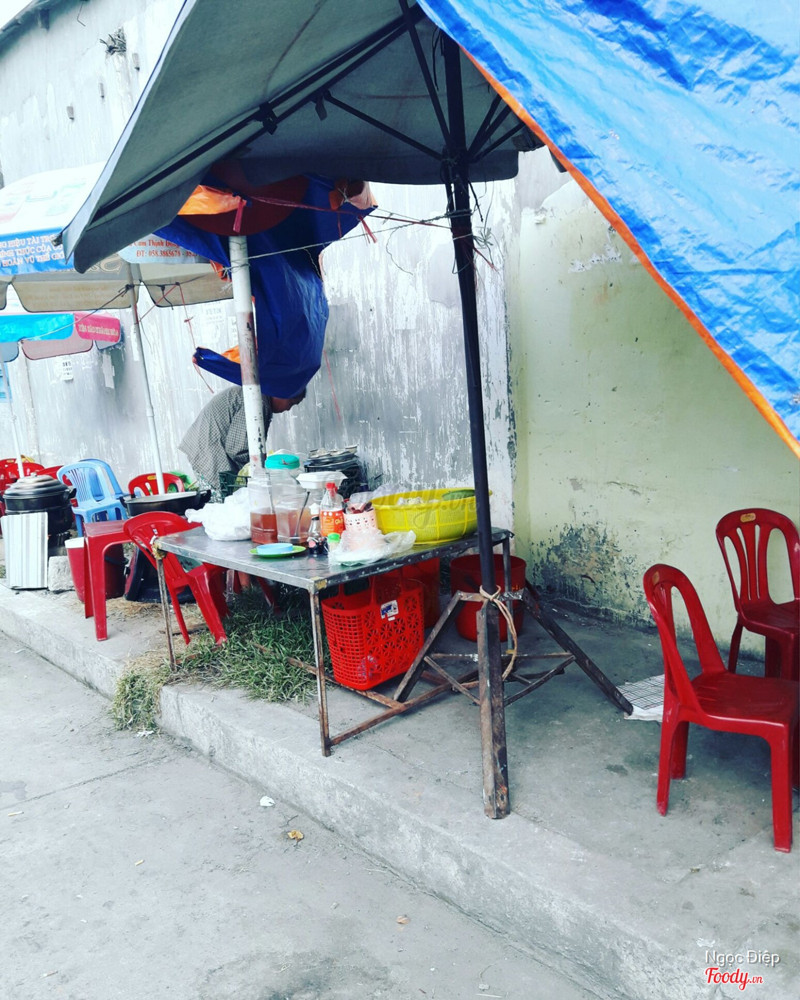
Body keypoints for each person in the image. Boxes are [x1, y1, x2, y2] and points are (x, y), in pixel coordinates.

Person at [179, 384, 305, 495]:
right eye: (291, 403)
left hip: (204, 446)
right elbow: (237, 450)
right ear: (281, 394)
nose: (288, 409)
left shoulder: (259, 397)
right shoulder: (257, 401)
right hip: (209, 452)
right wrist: (262, 465)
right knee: (224, 505)